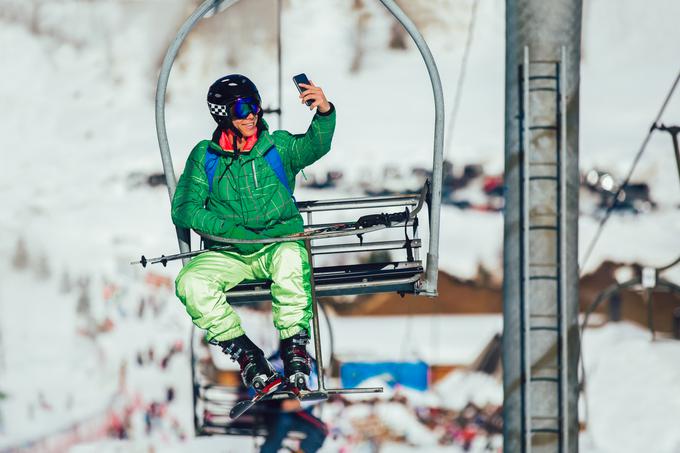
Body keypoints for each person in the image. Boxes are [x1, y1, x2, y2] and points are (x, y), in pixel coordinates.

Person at [172, 74, 335, 396]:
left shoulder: (278, 147)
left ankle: (295, 351)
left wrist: (324, 112)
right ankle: (248, 356)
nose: (252, 115)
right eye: (243, 108)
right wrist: (228, 231)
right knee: (191, 282)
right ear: (222, 114)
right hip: (230, 252)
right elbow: (186, 208)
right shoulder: (207, 157)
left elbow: (316, 144)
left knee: (291, 259)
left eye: (255, 106)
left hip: (276, 245)